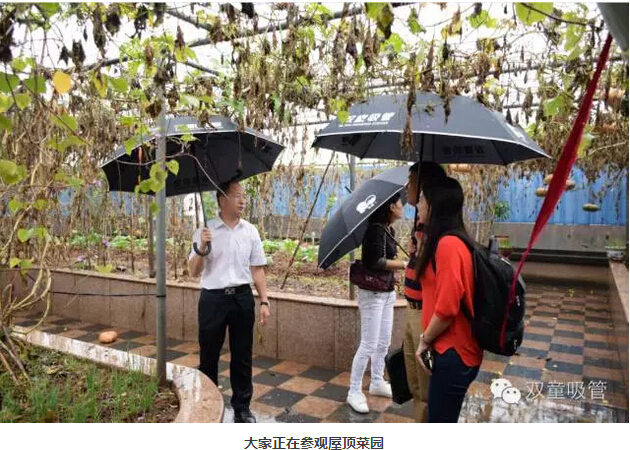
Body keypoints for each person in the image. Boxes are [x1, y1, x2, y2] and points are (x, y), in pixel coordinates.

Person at [188, 180, 270, 423]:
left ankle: (242, 408)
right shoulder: (205, 231)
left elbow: (257, 269)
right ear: (222, 200)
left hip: (242, 299)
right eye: (237, 196)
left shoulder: (250, 231)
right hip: (213, 299)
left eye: (244, 196)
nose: (243, 200)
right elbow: (193, 270)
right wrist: (203, 245)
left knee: (242, 355)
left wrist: (264, 301)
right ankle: (208, 405)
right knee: (209, 355)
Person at [413, 177, 482, 423]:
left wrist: (424, 341)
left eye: (422, 200)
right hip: (450, 350)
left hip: (454, 352)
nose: (417, 205)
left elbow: (447, 308)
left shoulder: (449, 245)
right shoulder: (445, 241)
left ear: (433, 205)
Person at [347, 192, 407, 414]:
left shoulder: (388, 230)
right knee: (369, 344)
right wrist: (404, 264)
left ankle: (377, 381)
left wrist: (394, 275)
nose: (403, 206)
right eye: (400, 203)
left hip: (386, 292)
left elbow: (384, 263)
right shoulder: (375, 230)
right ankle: (354, 390)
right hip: (372, 295)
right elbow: (375, 262)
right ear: (391, 206)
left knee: (383, 342)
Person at [402, 162, 446, 423]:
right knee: (415, 383)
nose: (407, 187)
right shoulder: (419, 226)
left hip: (424, 314)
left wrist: (422, 251)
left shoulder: (438, 233)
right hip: (411, 309)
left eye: (411, 181)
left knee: (426, 383)